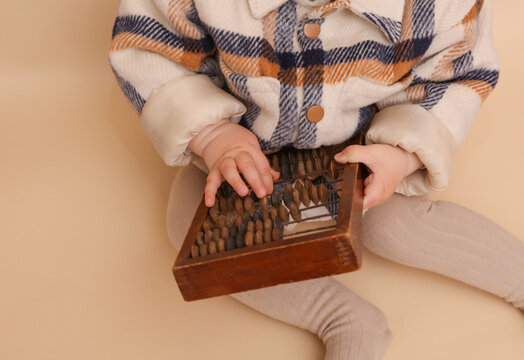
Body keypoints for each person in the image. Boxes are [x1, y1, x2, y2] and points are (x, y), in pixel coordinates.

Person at [109, 0, 524, 358]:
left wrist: (402, 152)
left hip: (359, 140)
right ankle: (342, 319)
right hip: (242, 136)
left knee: (392, 225)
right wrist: (214, 135)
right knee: (193, 229)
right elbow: (151, 47)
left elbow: (456, 70)